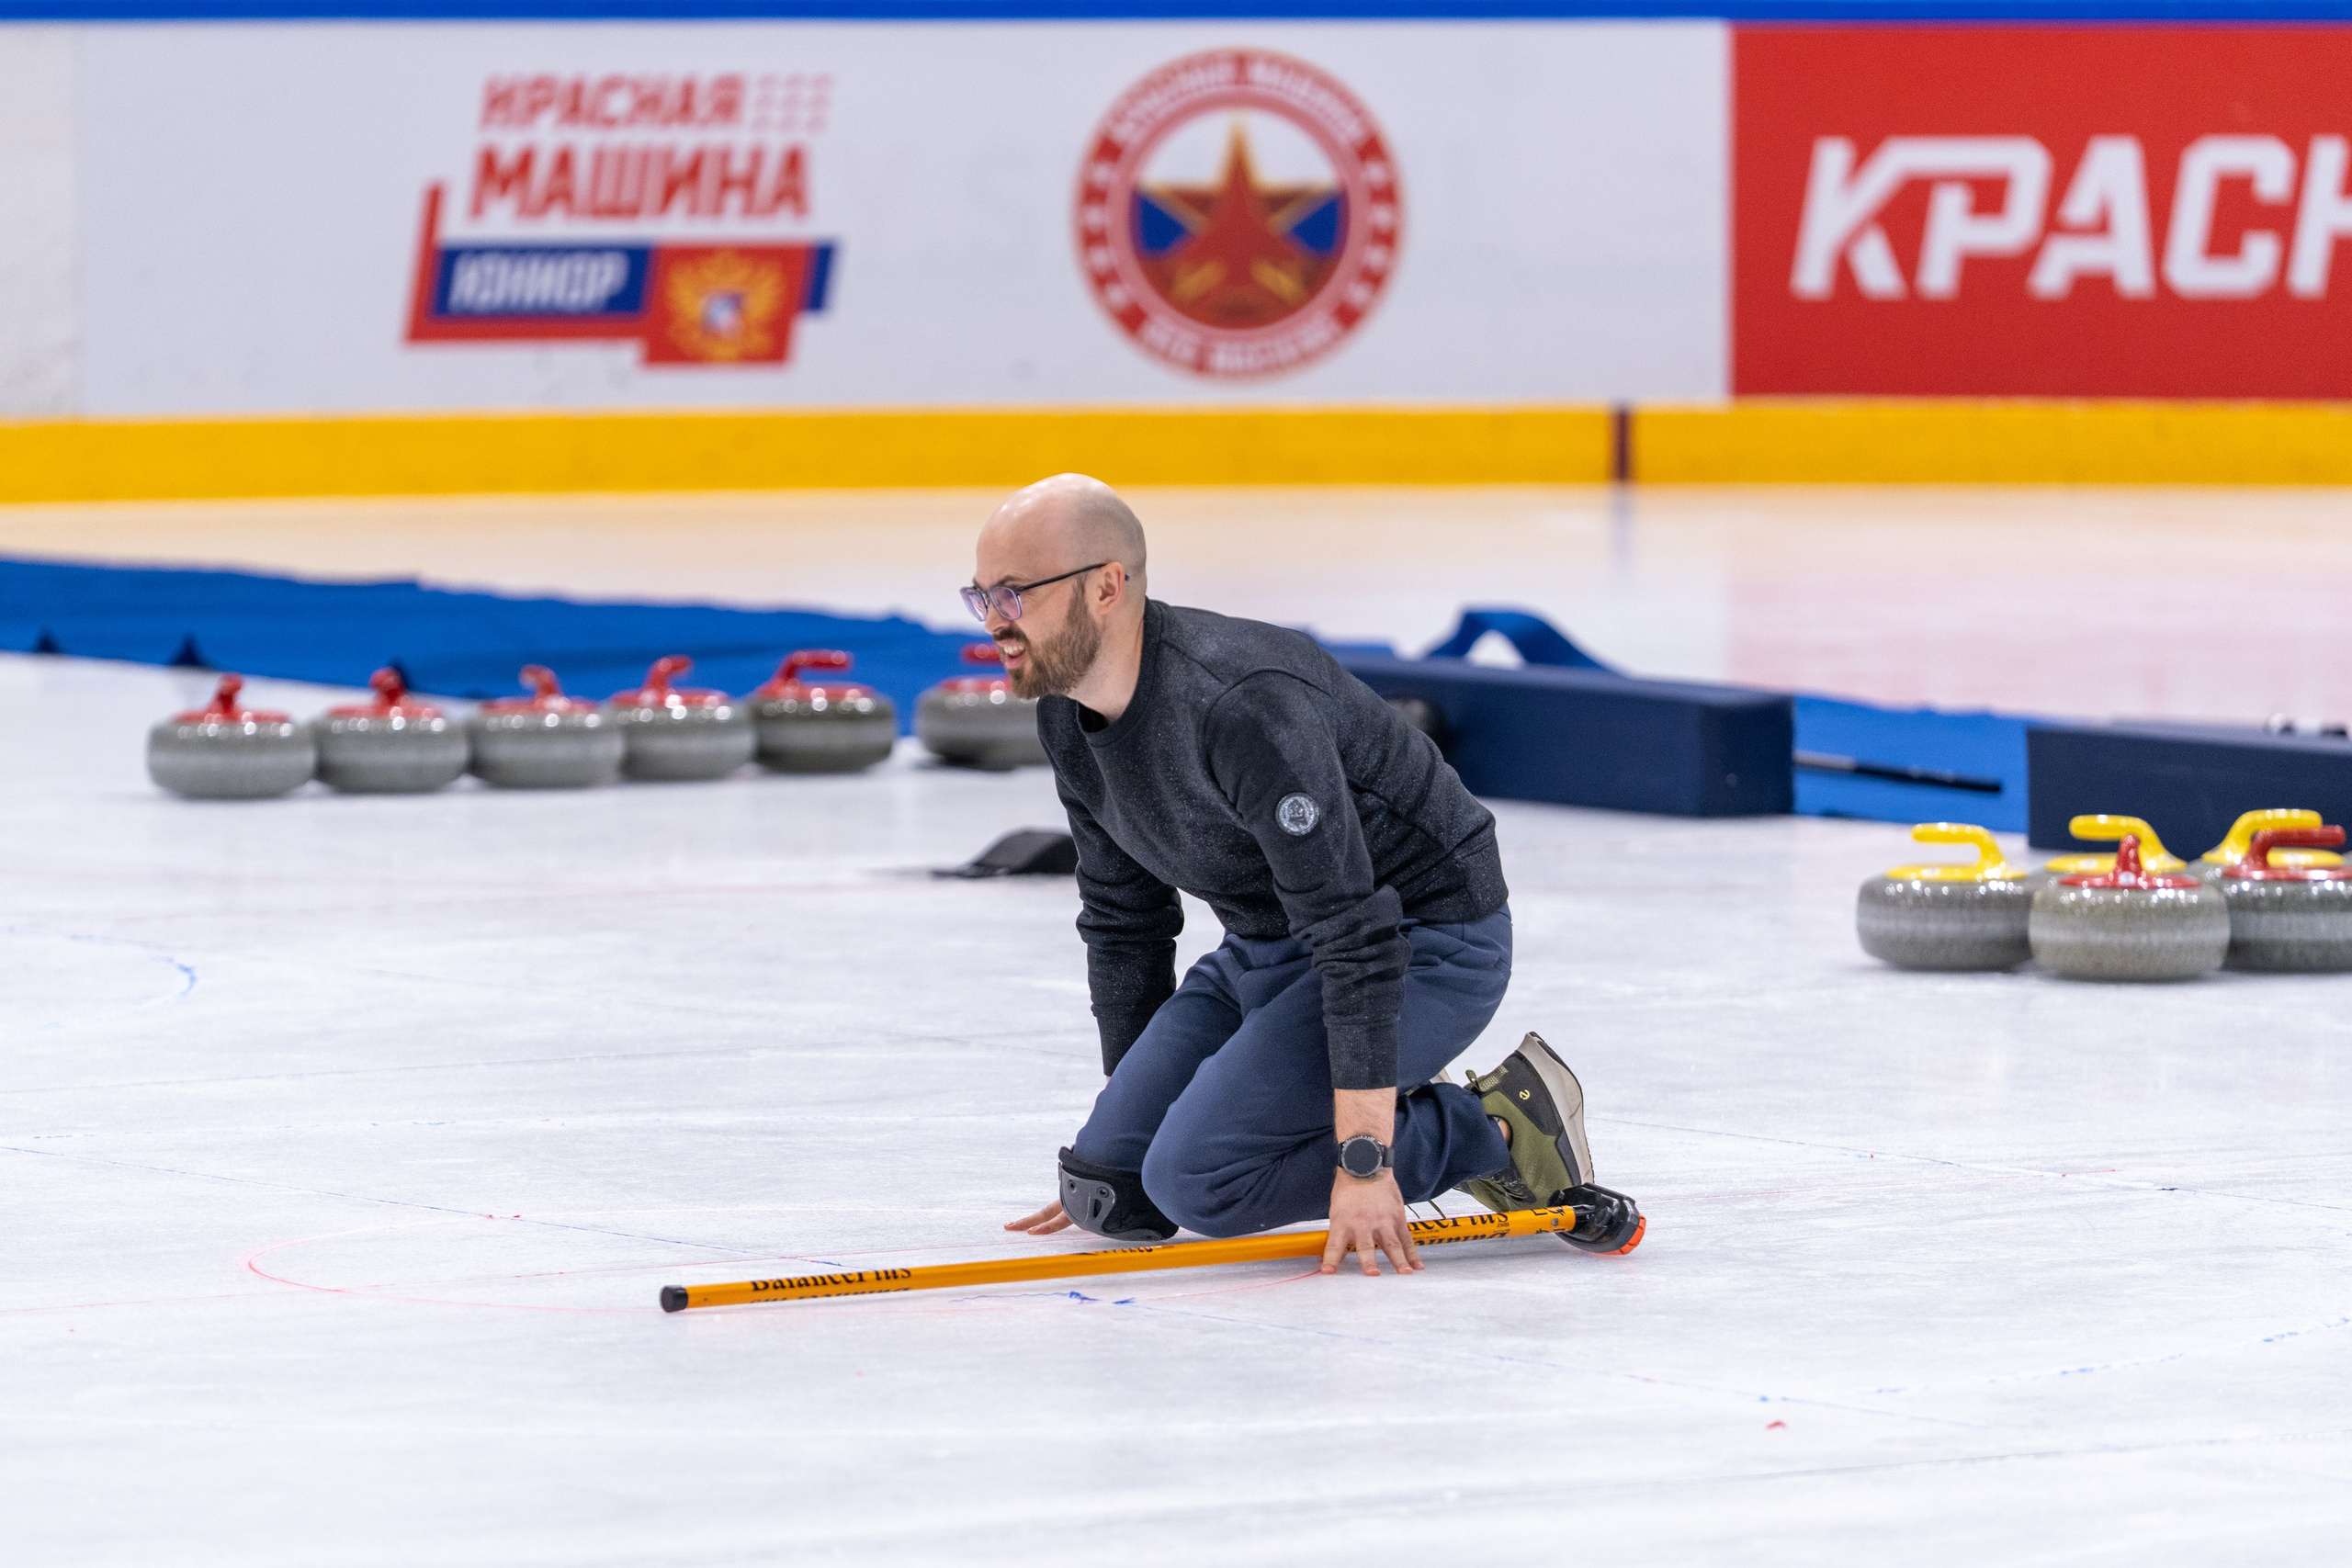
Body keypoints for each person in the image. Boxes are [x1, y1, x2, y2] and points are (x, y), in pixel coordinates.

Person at [977, 475, 1642, 1276]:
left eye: (1013, 595)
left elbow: (1357, 938)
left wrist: (1365, 1164)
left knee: (1198, 1183)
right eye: (979, 596)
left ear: (1107, 587)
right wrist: (1140, 1116)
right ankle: (1234, 1125)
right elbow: (1124, 919)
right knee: (1118, 1190)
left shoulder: (1242, 707)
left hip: (1419, 942)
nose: (993, 625)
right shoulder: (1066, 712)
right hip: (1270, 946)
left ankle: (1489, 1125)